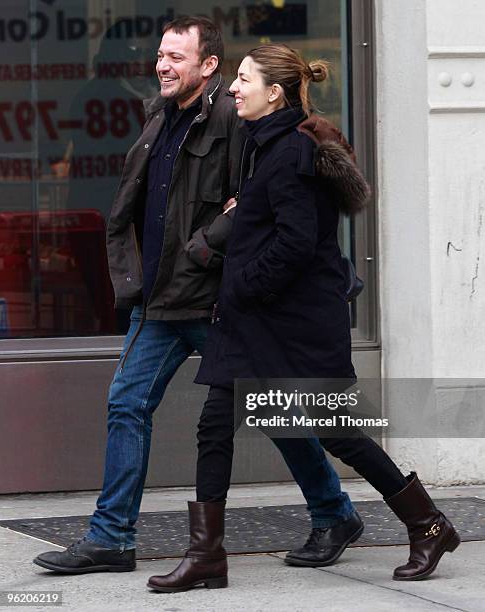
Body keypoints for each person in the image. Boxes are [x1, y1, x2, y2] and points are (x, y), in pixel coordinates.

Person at [33, 17, 358, 575]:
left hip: (217, 299)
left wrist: (208, 247)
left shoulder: (235, 119)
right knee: (126, 404)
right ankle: (111, 539)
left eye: (175, 57)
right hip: (159, 299)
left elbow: (260, 204)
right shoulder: (157, 118)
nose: (162, 65)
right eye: (160, 54)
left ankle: (333, 512)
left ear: (208, 66)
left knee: (277, 410)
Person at [147, 43, 460, 593]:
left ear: (275, 92)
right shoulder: (262, 144)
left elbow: (297, 244)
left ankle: (428, 523)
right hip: (252, 321)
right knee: (215, 426)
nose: (235, 88)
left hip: (294, 324)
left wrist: (242, 284)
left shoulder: (293, 152)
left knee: (338, 432)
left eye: (244, 79)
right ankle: (207, 556)